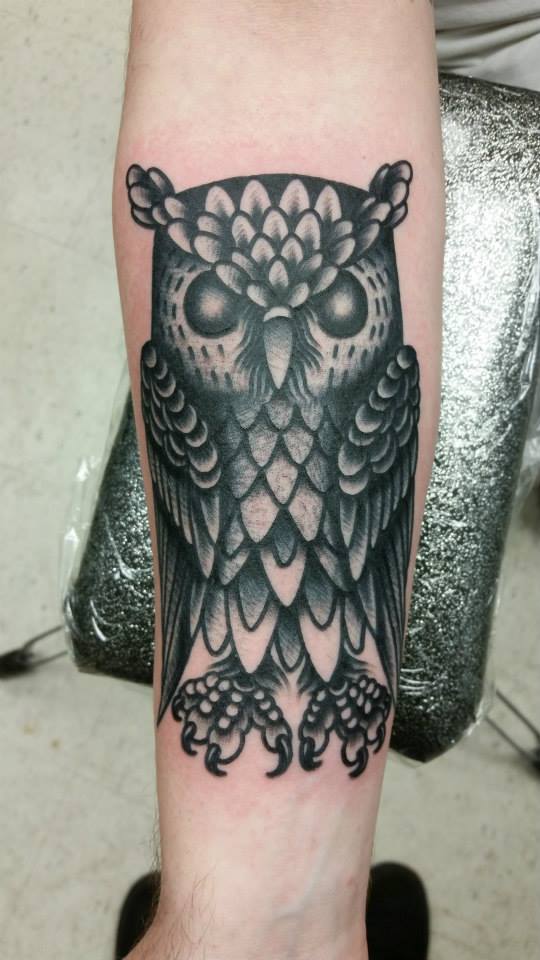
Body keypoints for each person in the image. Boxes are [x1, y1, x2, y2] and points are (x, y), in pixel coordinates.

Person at [112, 2, 444, 958]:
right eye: (221, 305)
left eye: (334, 307)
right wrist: (260, 918)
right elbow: (273, 42)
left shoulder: (379, 388)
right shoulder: (189, 389)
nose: (280, 350)